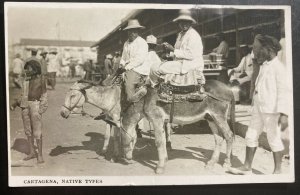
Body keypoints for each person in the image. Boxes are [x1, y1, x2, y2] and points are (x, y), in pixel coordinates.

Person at [228, 35, 290, 175]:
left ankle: (278, 171)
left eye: (256, 48)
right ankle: (247, 166)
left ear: (267, 49)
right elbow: (259, 85)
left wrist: (284, 114)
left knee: (273, 138)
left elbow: (283, 92)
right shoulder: (263, 65)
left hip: (271, 110)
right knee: (250, 135)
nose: (254, 52)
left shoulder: (278, 68)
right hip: (258, 107)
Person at [150, 9, 205, 92]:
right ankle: (158, 88)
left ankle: (154, 89)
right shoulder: (180, 34)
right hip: (181, 62)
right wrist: (169, 54)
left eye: (186, 22)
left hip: (190, 64)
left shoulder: (193, 35)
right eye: (181, 22)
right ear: (178, 23)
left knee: (155, 68)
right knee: (156, 65)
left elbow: (190, 55)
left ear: (190, 22)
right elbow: (179, 51)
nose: (184, 24)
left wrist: (173, 49)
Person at [20, 48, 48, 163]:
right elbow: (22, 93)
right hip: (24, 105)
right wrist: (19, 103)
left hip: (35, 105)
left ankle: (40, 155)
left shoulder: (41, 80)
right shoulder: (25, 80)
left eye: (29, 69)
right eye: (26, 69)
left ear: (35, 69)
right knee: (28, 130)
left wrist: (41, 109)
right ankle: (32, 152)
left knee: (37, 131)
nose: (26, 71)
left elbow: (45, 95)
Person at [119, 19, 149, 103]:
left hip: (138, 68)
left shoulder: (142, 43)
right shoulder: (126, 43)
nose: (131, 33)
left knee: (128, 84)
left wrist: (127, 67)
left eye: (134, 31)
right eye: (129, 31)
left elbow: (139, 59)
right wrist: (121, 64)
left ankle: (131, 102)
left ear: (138, 32)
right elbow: (123, 57)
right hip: (127, 68)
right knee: (113, 82)